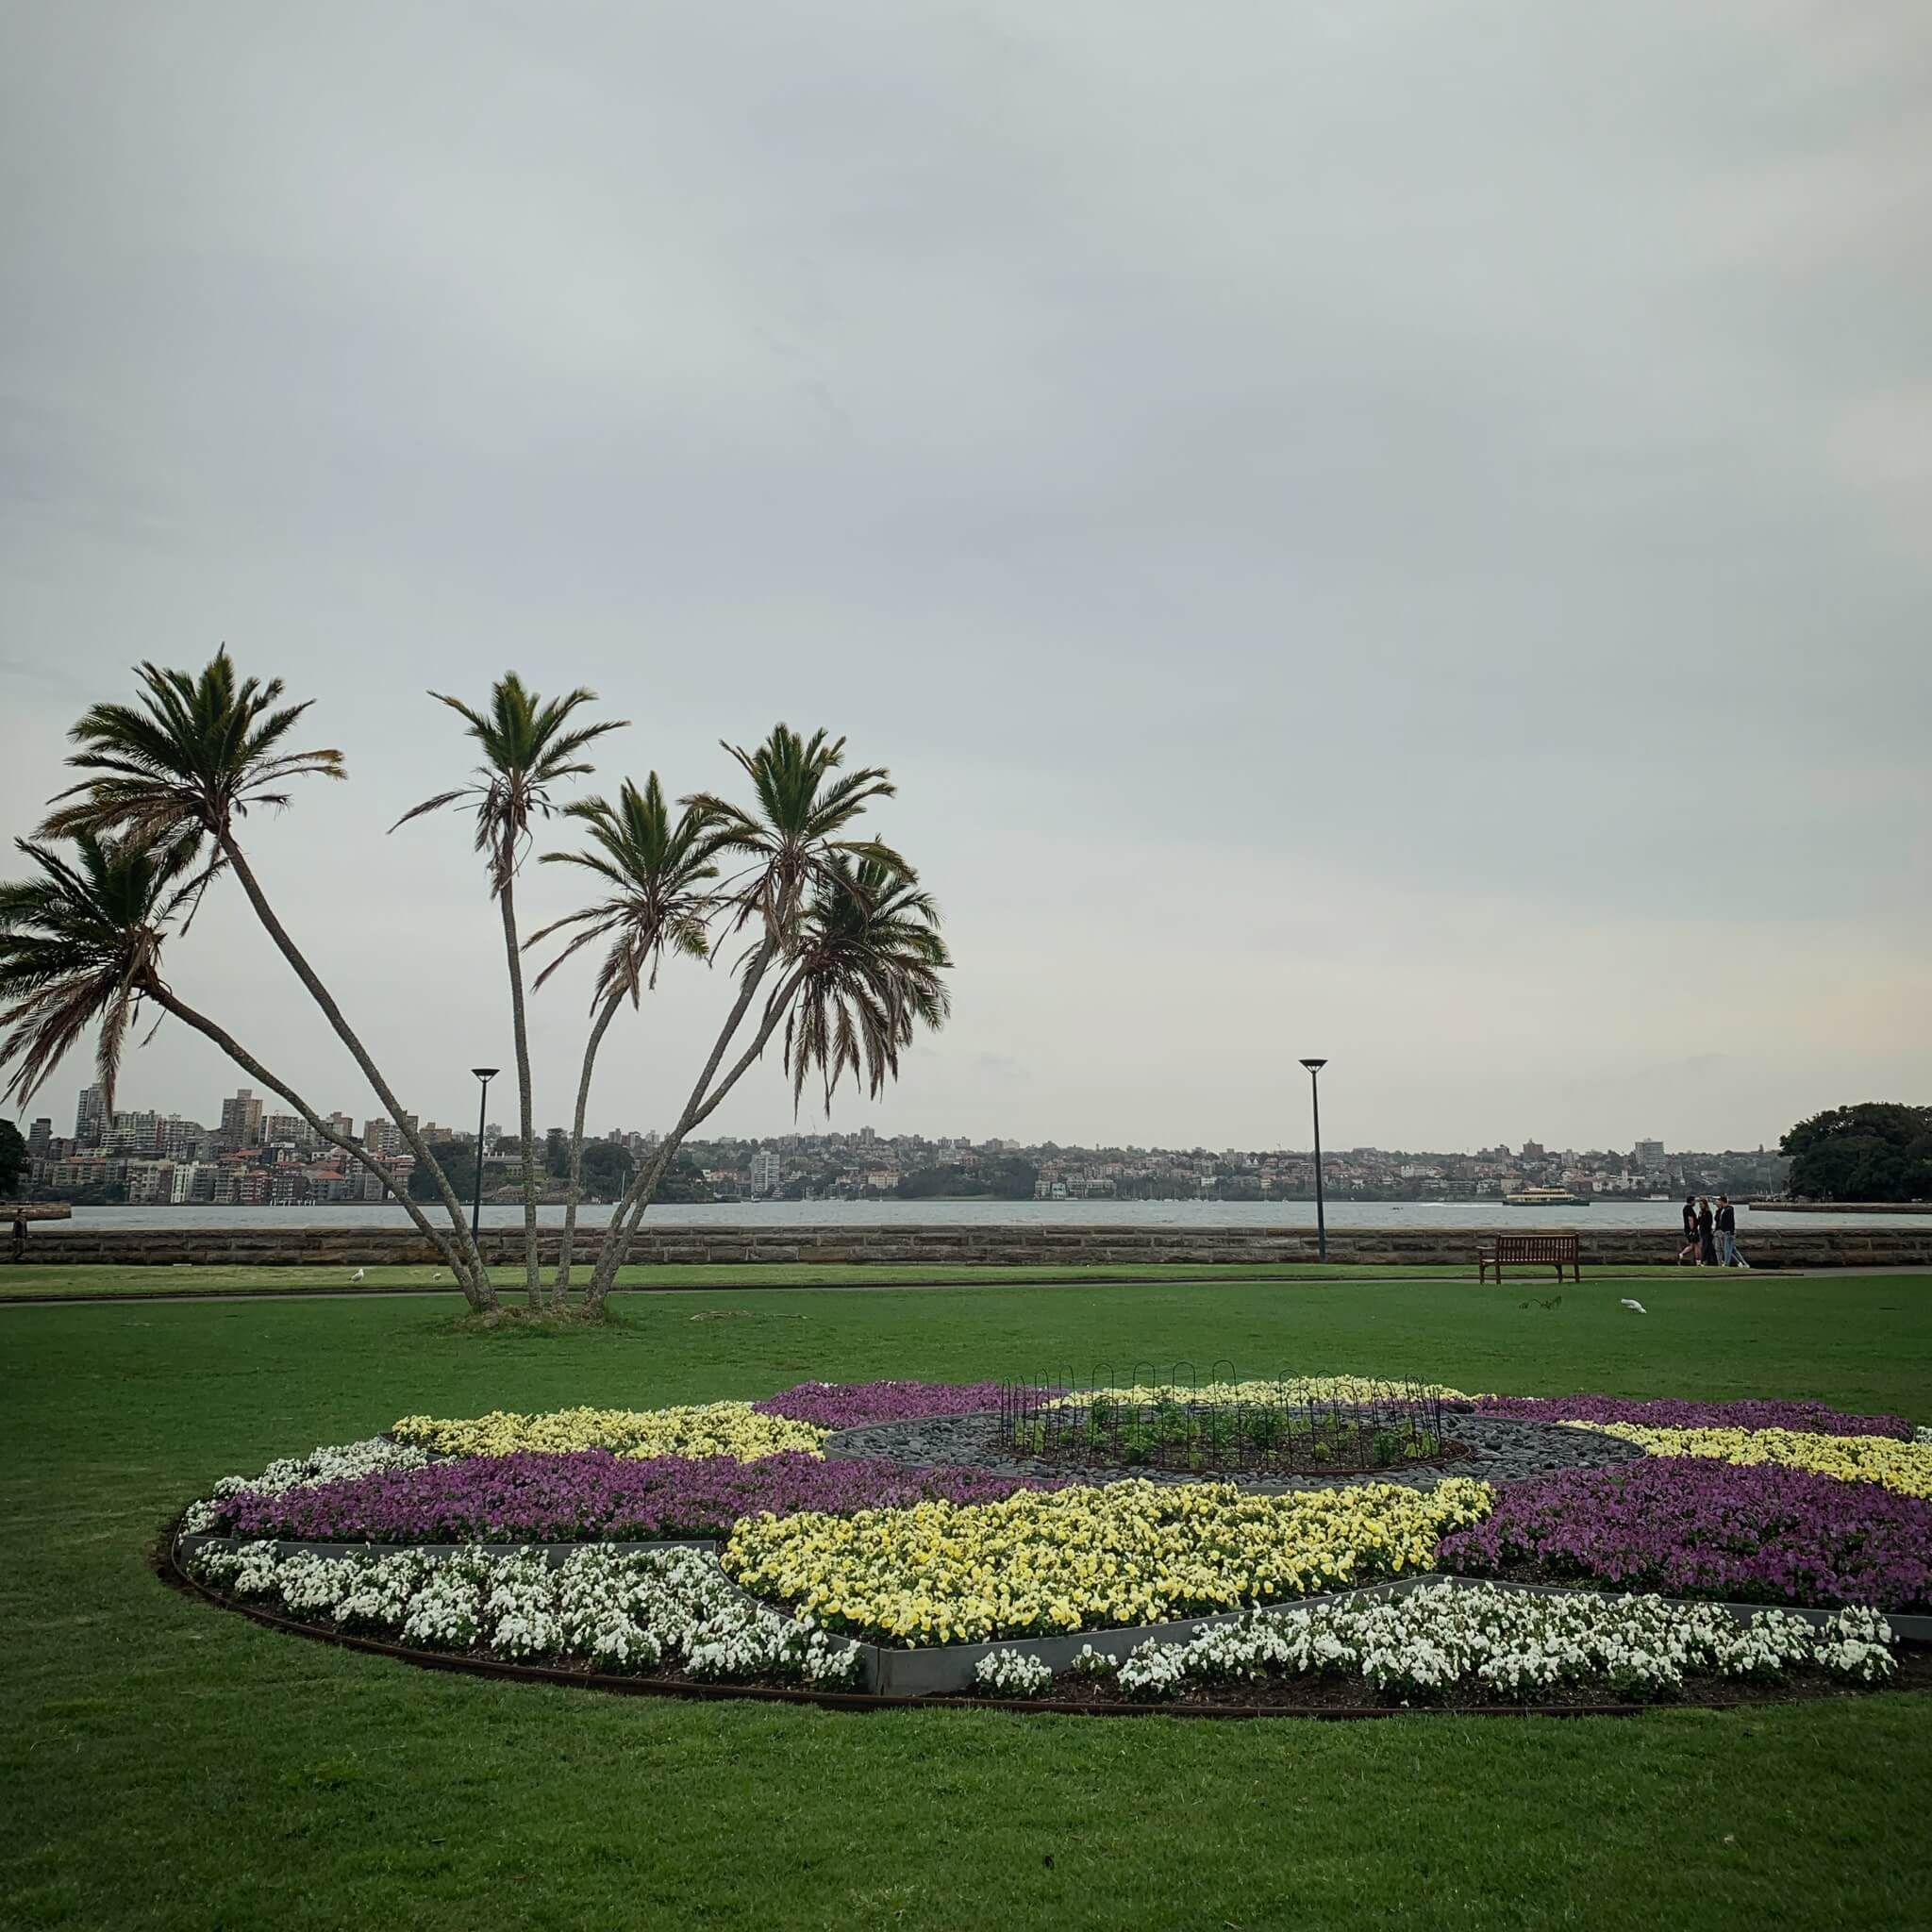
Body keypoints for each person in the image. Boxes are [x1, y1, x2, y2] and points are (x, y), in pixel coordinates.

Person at [1715, 1195, 1741, 1268]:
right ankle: (1742, 1263)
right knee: (1732, 1250)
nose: (1718, 1203)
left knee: (1727, 1250)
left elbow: (1730, 1222)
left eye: (1719, 1201)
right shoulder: (1725, 1209)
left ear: (1722, 1201)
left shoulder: (1728, 1210)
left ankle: (1727, 1264)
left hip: (1728, 1232)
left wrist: (1731, 1231)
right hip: (1726, 1232)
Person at [1678, 1194, 1699, 1265]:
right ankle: (1698, 1261)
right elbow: (1691, 1220)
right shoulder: (1689, 1208)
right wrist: (1692, 1230)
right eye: (1694, 1201)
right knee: (1696, 1245)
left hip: (1687, 1229)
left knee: (1692, 1245)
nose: (1695, 1203)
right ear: (1692, 1201)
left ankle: (1681, 1254)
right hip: (1691, 1230)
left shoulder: (1685, 1208)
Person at [1696, 1196, 1717, 1267]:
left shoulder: (1708, 1212)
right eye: (1699, 1204)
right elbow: (1698, 1222)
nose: (1700, 1206)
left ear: (1705, 1204)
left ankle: (1703, 1261)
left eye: (1701, 1204)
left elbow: (1709, 1222)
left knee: (1706, 1247)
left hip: (1707, 1232)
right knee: (1709, 1247)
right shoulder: (1701, 1213)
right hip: (1702, 1231)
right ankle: (1712, 1260)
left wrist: (1707, 1230)